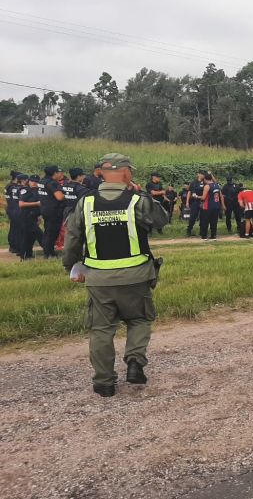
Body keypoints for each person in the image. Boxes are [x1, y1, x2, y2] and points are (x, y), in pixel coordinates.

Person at [62, 153, 169, 398]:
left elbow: (72, 239)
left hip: (99, 279)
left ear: (102, 173)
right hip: (136, 277)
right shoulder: (136, 200)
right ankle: (134, 363)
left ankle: (104, 382)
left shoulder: (86, 202)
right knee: (139, 320)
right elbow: (161, 219)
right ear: (125, 172)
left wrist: (72, 266)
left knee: (101, 329)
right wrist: (143, 195)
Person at [38, 165, 66, 258]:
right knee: (52, 233)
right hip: (54, 211)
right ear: (54, 173)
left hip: (45, 209)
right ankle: (49, 253)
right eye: (58, 172)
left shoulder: (42, 181)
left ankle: (48, 251)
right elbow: (59, 197)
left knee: (48, 231)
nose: (60, 174)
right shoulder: (52, 183)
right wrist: (66, 195)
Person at [17, 174, 44, 260]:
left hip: (33, 216)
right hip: (26, 216)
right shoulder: (25, 190)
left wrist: (38, 216)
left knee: (30, 237)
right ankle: (48, 252)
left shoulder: (37, 191)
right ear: (29, 181)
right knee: (38, 234)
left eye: (36, 182)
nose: (34, 183)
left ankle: (27, 255)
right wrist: (36, 203)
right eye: (32, 181)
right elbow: (21, 204)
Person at [199, 173, 224, 240]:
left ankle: (204, 236)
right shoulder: (217, 185)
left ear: (205, 179)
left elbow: (203, 197)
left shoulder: (207, 186)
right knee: (214, 221)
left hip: (208, 206)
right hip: (216, 205)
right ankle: (213, 236)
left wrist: (197, 196)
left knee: (205, 221)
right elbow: (221, 196)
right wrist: (223, 205)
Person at [4, 171, 21, 254]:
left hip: (10, 208)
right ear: (17, 178)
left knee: (13, 227)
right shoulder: (14, 187)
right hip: (15, 209)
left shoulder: (8, 186)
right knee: (16, 228)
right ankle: (15, 246)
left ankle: (12, 246)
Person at [186, 171, 206, 236]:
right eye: (201, 174)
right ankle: (189, 230)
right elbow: (189, 192)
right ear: (198, 174)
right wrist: (187, 202)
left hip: (203, 202)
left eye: (203, 174)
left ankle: (202, 231)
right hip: (194, 202)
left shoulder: (205, 182)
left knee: (203, 217)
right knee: (192, 217)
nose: (202, 175)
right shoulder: (193, 182)